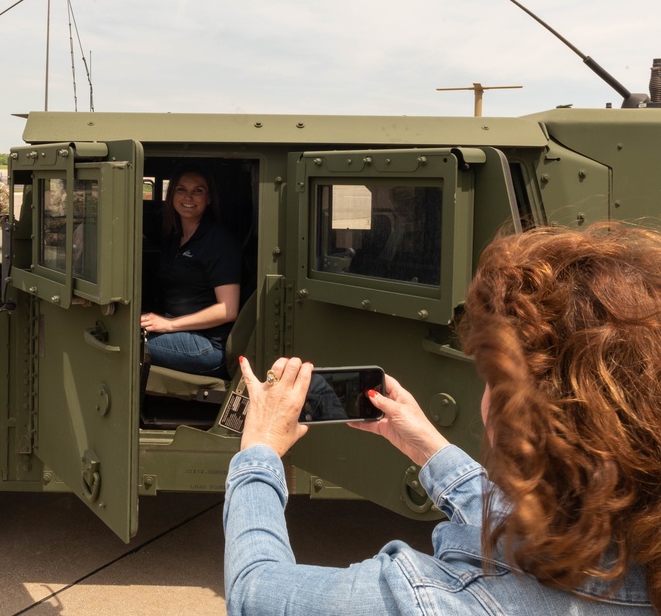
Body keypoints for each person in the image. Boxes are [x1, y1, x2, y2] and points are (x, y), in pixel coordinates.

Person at [224, 223, 659, 614]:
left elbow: (257, 592)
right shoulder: (638, 552)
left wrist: (259, 451)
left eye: (491, 379)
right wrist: (427, 446)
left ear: (524, 421)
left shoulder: (446, 603)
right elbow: (541, 529)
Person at [141, 169, 241, 377]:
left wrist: (168, 324)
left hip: (208, 345)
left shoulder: (218, 242)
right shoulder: (175, 236)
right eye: (181, 190)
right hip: (181, 331)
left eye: (198, 191)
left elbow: (228, 309)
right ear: (172, 196)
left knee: (119, 338)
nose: (188, 197)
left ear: (209, 198)